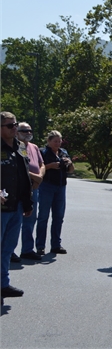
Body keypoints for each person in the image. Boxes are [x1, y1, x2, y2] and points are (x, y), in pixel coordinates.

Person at [1, 112, 33, 301]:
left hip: (17, 205)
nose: (14, 128)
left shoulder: (20, 147)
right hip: (2, 206)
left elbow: (24, 174)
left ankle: (3, 284)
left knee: (8, 247)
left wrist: (28, 202)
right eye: (9, 125)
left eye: (15, 124)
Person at [36, 130, 74, 256]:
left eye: (60, 141)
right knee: (43, 217)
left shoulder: (64, 152)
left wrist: (69, 163)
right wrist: (50, 166)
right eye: (55, 141)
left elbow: (71, 171)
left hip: (61, 187)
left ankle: (56, 245)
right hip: (46, 186)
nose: (58, 143)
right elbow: (38, 169)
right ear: (49, 141)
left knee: (58, 217)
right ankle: (40, 246)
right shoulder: (43, 152)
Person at [16, 122, 45, 261]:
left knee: (31, 219)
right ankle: (9, 252)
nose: (28, 133)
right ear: (17, 132)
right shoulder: (16, 146)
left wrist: (40, 176)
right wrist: (35, 177)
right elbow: (20, 168)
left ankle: (27, 250)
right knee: (15, 221)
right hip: (19, 189)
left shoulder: (33, 147)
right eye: (24, 131)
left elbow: (41, 164)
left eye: (30, 130)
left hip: (34, 189)